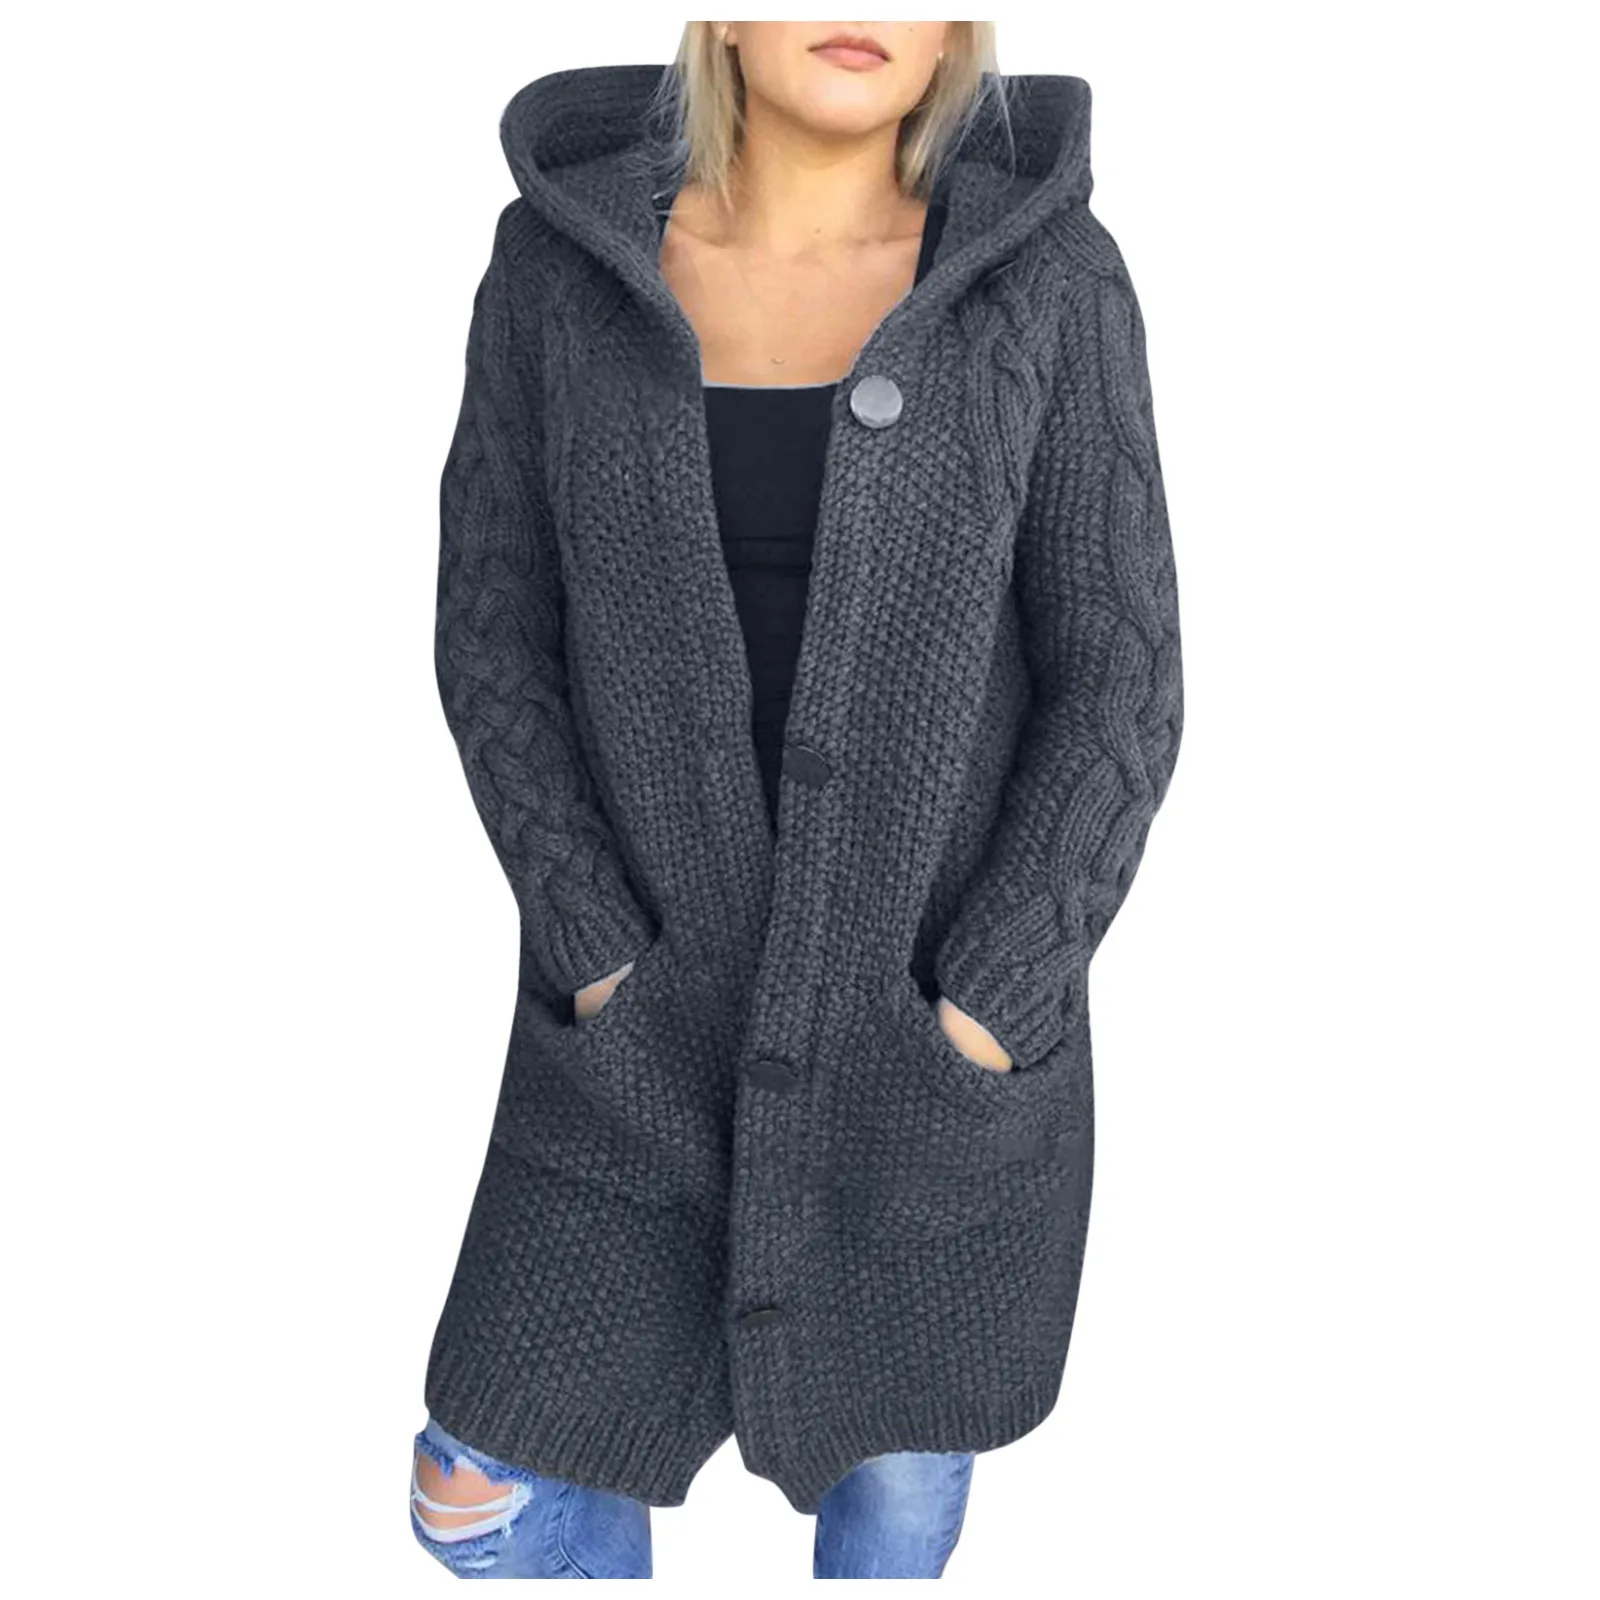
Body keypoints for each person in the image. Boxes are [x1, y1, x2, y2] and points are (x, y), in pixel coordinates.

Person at [414, 20, 1183, 1580]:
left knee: (888, 1506)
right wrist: (590, 944)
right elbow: (495, 638)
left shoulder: (1047, 279)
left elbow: (1122, 680)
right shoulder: (558, 269)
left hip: (926, 1075)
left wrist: (989, 1005)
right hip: (634, 1049)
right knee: (479, 1488)